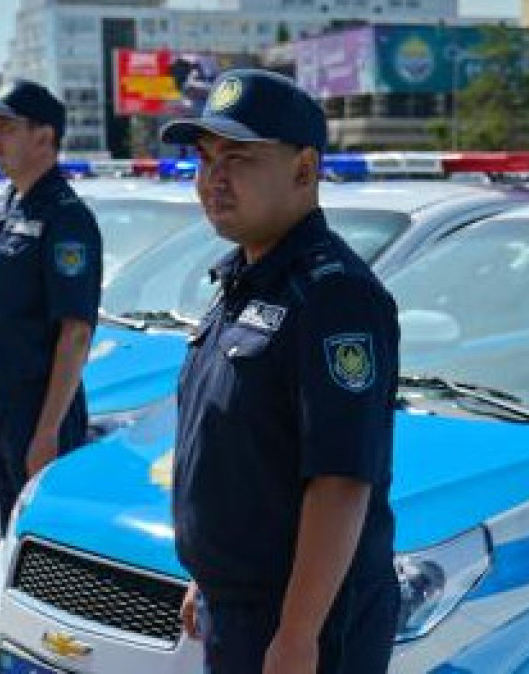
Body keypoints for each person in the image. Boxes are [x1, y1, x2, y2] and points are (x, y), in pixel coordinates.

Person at [163, 70, 400, 674]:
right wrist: (209, 578)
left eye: (238, 157)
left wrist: (298, 634)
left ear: (303, 169)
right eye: (205, 157)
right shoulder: (242, 281)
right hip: (239, 607)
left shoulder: (334, 297)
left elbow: (342, 480)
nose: (214, 178)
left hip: (302, 620)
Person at [0, 80, 102, 529]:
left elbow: (75, 332)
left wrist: (46, 431)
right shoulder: (5, 205)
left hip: (37, 411)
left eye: (6, 126)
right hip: (3, 408)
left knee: (40, 534)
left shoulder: (66, 217)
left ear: (44, 137)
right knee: (10, 529)